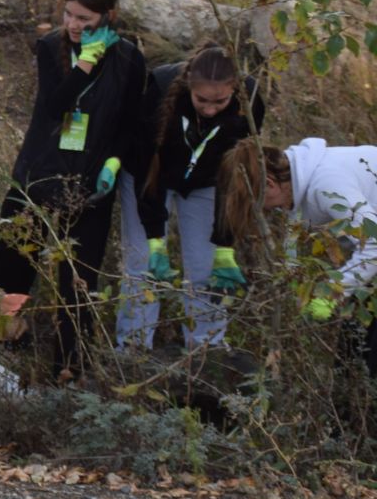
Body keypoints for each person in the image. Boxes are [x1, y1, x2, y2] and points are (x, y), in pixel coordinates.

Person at [0, 0, 148, 374]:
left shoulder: (129, 59)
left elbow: (131, 122)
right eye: (68, 14)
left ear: (109, 16)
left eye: (84, 18)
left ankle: (69, 368)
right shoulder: (49, 47)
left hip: (91, 178)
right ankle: (2, 350)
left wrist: (113, 162)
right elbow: (55, 106)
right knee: (13, 259)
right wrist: (86, 62)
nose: (73, 24)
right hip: (41, 168)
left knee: (77, 274)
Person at [117, 45, 265, 349]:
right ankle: (132, 350)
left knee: (207, 268)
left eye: (220, 101)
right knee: (142, 264)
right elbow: (147, 167)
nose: (210, 110)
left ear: (234, 90)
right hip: (149, 178)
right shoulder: (159, 89)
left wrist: (225, 245)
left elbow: (234, 175)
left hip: (207, 182)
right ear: (189, 88)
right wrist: (156, 239)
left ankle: (205, 352)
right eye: (202, 100)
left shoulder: (249, 99)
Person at [222, 138, 377, 371]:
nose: (265, 210)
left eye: (261, 202)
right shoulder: (298, 176)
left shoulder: (327, 185)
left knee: (369, 356)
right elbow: (295, 227)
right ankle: (350, 395)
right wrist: (295, 277)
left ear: (271, 183)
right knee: (352, 352)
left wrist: (334, 292)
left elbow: (375, 245)